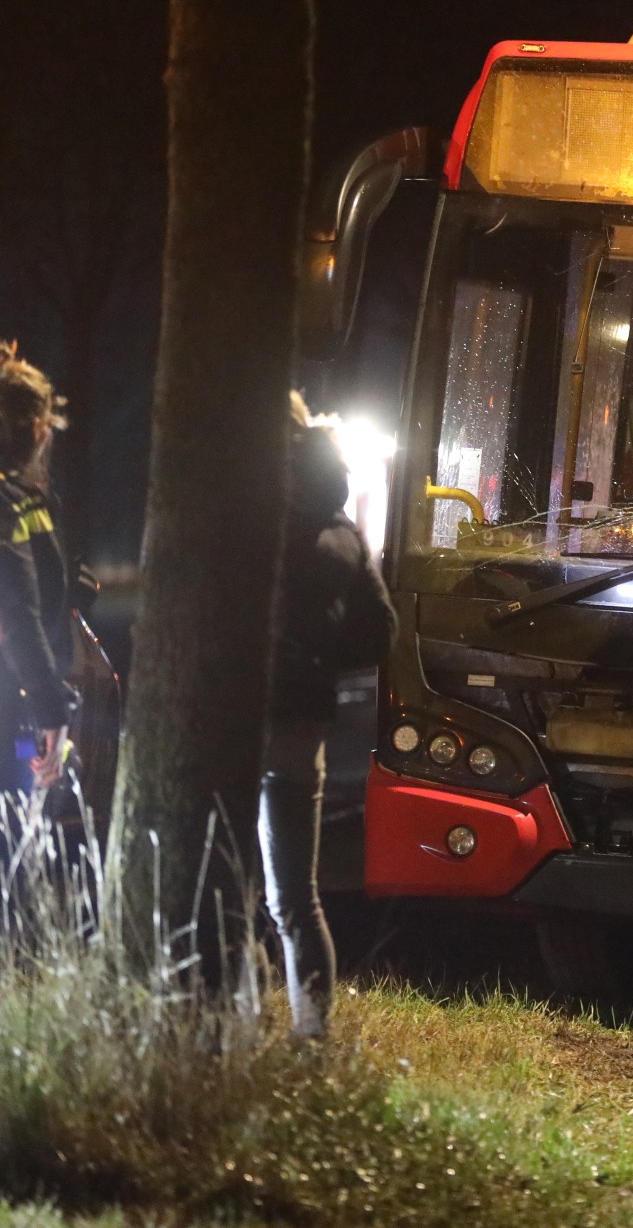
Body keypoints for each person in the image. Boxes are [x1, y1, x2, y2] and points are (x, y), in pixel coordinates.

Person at [261, 392, 395, 1038]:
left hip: (238, 716)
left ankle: (222, 1034)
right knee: (295, 897)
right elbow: (380, 632)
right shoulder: (343, 532)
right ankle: (311, 1037)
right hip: (301, 723)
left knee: (222, 888)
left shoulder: (251, 518)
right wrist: (321, 659)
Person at [0, 344, 77, 800]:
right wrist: (53, 711)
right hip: (14, 709)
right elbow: (16, 612)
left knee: (22, 772)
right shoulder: (10, 504)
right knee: (14, 822)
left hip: (16, 709)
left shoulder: (26, 501)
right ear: (36, 429)